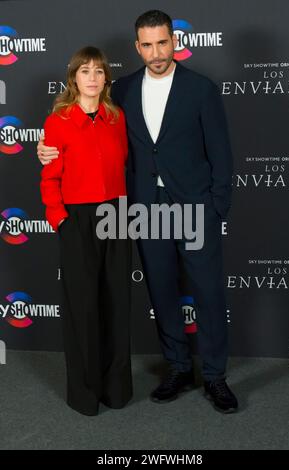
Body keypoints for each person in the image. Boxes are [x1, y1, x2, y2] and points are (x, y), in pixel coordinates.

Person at [38, 10, 238, 413]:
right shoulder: (122, 92)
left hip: (195, 208)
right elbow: (86, 132)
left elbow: (222, 155)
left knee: (209, 293)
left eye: (162, 42)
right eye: (147, 44)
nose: (156, 52)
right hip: (145, 210)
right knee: (162, 290)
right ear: (137, 47)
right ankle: (179, 367)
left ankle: (215, 376)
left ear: (174, 42)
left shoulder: (201, 89)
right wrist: (46, 151)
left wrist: (216, 208)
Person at [40, 46, 132, 416]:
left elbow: (124, 160)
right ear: (73, 78)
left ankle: (117, 389)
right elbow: (50, 179)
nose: (92, 78)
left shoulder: (116, 116)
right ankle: (84, 393)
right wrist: (60, 219)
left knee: (117, 303)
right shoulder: (57, 121)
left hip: (118, 215)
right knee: (82, 308)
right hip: (77, 219)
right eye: (85, 71)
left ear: (106, 78)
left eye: (98, 71)